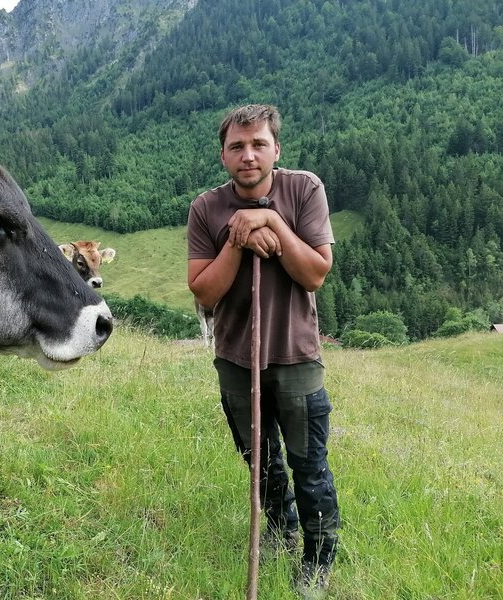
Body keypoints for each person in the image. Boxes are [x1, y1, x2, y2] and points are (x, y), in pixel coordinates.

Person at [187, 104, 339, 597]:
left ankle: (318, 559)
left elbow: (315, 272)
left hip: (296, 356)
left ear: (277, 148)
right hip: (235, 358)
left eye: (258, 144)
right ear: (223, 155)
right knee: (260, 459)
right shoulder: (206, 209)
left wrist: (268, 220)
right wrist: (237, 239)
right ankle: (281, 528)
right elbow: (204, 294)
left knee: (309, 464)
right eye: (237, 146)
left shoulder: (304, 190)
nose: (248, 155)